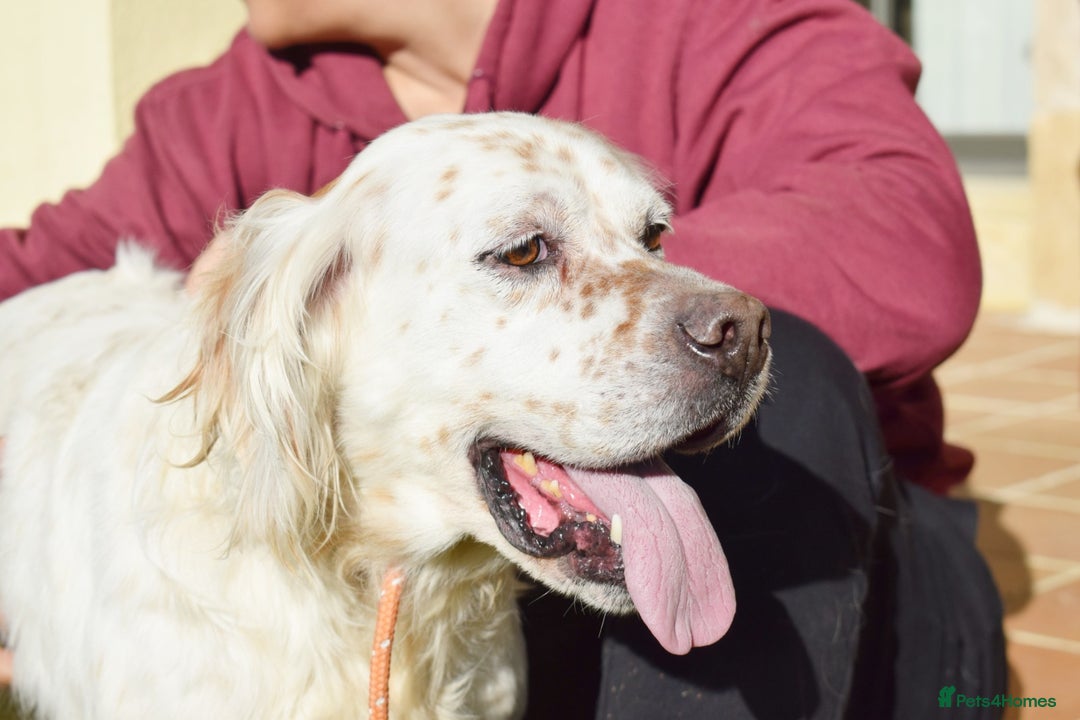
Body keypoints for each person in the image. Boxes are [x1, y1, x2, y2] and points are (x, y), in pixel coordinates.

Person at [0, 0, 1006, 716]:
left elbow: (907, 238)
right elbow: (39, 269)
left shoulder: (709, 17)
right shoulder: (227, 110)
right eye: (522, 252)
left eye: (640, 238)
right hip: (501, 576)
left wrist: (630, 303)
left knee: (789, 396)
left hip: (861, 583)